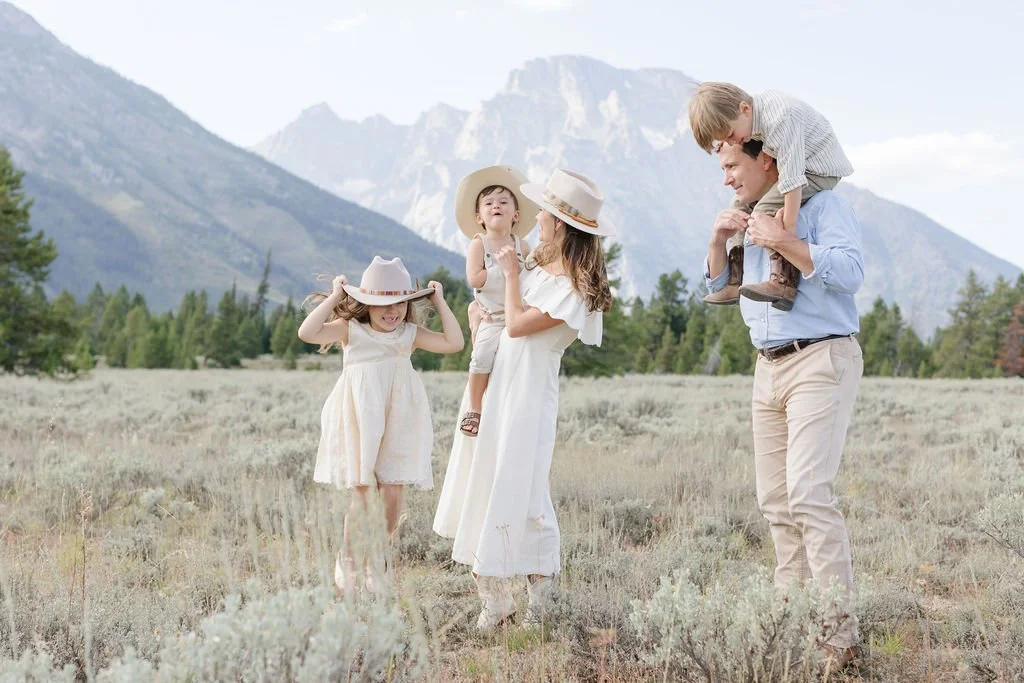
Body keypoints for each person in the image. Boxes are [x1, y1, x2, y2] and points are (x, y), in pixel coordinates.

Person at [705, 139, 865, 669]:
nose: (726, 177)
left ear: (766, 161)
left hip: (820, 358)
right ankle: (787, 623)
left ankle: (838, 638)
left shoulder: (822, 206)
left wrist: (783, 240)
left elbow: (849, 273)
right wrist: (719, 240)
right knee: (775, 501)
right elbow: (719, 289)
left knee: (808, 495)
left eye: (732, 165)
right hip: (766, 366)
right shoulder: (749, 217)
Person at [433, 169, 614, 632]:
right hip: (502, 385)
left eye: (547, 216)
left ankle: (536, 598)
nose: (539, 222)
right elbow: (497, 315)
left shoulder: (572, 287)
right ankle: (494, 597)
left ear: (561, 224)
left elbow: (516, 324)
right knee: (485, 478)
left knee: (524, 488)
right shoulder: (541, 268)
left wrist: (511, 274)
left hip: (528, 395)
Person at [298, 255, 464, 593]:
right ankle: (348, 558)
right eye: (382, 305)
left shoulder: (408, 334)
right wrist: (334, 297)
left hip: (399, 415)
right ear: (366, 305)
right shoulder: (351, 330)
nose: (392, 312)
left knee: (392, 491)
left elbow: (454, 343)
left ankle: (378, 556)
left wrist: (440, 302)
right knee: (362, 490)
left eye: (399, 304)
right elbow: (307, 332)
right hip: (359, 415)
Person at [689, 82, 853, 311]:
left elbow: (792, 181)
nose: (734, 142)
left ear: (745, 109)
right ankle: (735, 280)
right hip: (796, 168)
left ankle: (783, 283)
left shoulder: (781, 119)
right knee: (737, 208)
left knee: (762, 212)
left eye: (731, 135)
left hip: (817, 169)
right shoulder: (751, 117)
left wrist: (784, 235)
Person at [454, 165, 538, 438]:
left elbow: (531, 273)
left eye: (503, 202)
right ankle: (475, 408)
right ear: (479, 217)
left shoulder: (520, 244)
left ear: (515, 215)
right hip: (492, 314)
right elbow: (474, 278)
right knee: (482, 356)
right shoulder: (479, 244)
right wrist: (503, 269)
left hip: (517, 313)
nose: (496, 206)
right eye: (488, 203)